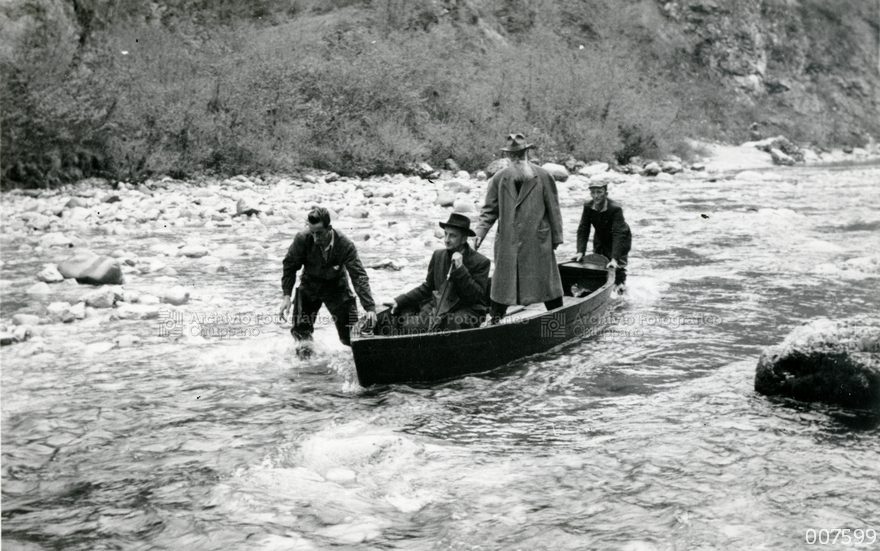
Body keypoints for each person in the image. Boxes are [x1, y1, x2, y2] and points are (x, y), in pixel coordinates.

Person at [474, 133, 564, 324]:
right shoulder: (499, 179)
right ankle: (494, 322)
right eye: (512, 155)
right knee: (502, 286)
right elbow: (489, 211)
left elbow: (553, 209)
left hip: (537, 241)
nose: (517, 158)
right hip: (508, 240)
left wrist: (556, 238)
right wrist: (479, 234)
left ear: (527, 153)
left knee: (547, 284)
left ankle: (559, 320)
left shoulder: (543, 176)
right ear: (507, 156)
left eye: (520, 153)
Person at [278, 207, 377, 352]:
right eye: (312, 233)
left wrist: (370, 308)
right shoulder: (302, 239)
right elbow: (289, 265)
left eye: (319, 233)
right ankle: (308, 370)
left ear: (329, 228)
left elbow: (358, 275)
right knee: (301, 336)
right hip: (310, 285)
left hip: (337, 287)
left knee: (351, 337)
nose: (316, 238)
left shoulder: (345, 244)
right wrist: (286, 296)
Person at [387, 213, 490, 331]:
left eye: (452, 236)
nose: (446, 240)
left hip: (467, 309)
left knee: (451, 324)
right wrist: (398, 301)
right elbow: (427, 287)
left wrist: (461, 269)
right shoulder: (438, 255)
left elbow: (476, 297)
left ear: (464, 239)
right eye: (446, 234)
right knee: (412, 327)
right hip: (439, 305)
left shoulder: (481, 262)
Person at [574, 181, 632, 290]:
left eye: (599, 192)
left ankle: (620, 288)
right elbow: (583, 229)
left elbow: (618, 234)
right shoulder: (588, 206)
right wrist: (580, 251)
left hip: (621, 236)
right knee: (598, 260)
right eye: (593, 192)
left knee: (617, 265)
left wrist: (614, 259)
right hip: (600, 235)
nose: (596, 196)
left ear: (606, 193)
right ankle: (600, 288)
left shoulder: (615, 208)